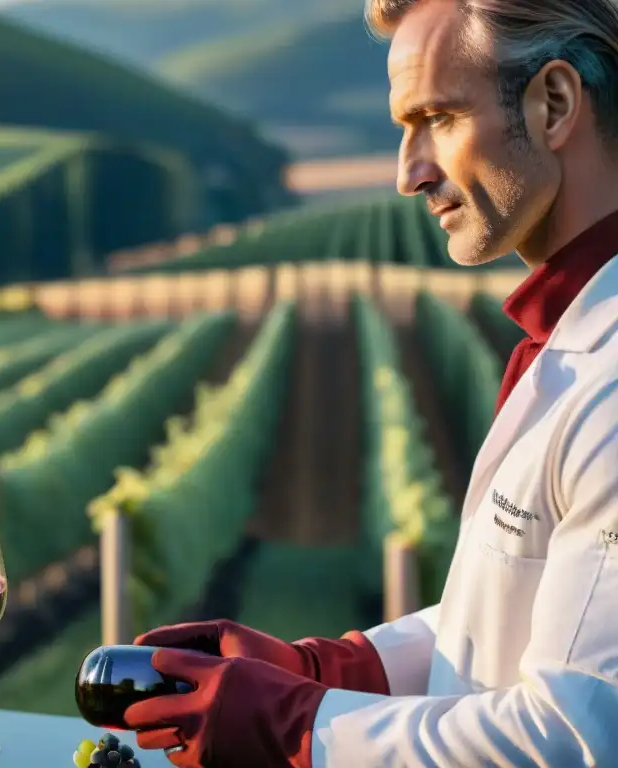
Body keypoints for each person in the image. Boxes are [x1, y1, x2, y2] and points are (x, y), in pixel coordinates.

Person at [122, 0, 618, 765]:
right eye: (401, 130)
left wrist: (297, 726)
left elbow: (572, 738)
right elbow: (513, 623)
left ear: (554, 104)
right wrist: (326, 669)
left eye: (438, 118)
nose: (408, 173)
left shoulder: (610, 387)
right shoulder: (571, 340)